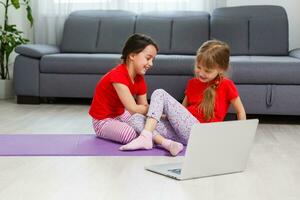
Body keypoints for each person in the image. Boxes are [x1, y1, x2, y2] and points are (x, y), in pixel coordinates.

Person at [120, 40, 246, 156]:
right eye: (198, 67)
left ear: (220, 69)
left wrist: (241, 138)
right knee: (135, 118)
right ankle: (167, 144)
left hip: (202, 134)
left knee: (159, 93)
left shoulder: (227, 85)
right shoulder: (193, 83)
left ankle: (146, 137)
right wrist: (158, 115)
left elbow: (240, 111)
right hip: (182, 135)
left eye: (207, 71)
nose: (201, 73)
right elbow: (182, 110)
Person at [89, 33, 158, 144]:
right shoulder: (117, 75)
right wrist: (157, 110)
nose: (151, 64)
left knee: (147, 124)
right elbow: (133, 108)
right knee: (129, 134)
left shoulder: (139, 79)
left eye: (153, 60)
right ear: (132, 55)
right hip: (103, 120)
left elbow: (143, 108)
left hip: (120, 114)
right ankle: (148, 137)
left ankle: (151, 137)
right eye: (148, 58)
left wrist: (153, 116)